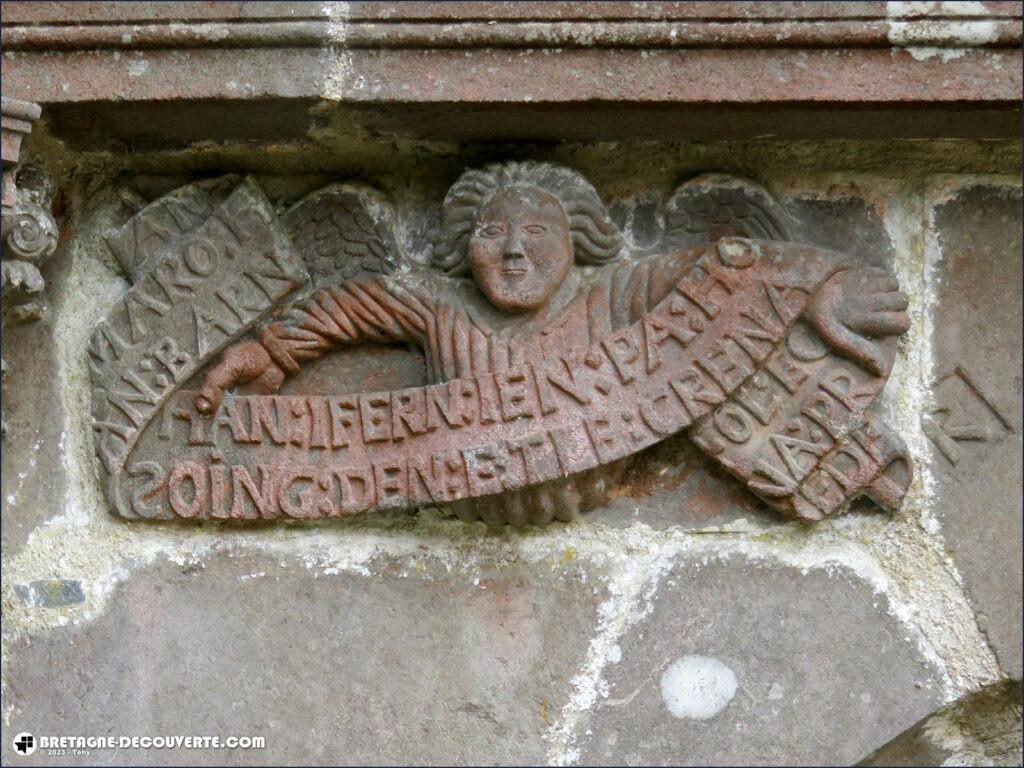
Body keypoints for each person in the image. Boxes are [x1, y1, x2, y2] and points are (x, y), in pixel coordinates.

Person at [196, 161, 909, 525]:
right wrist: (273, 351)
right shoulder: (440, 305)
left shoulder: (612, 294)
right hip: (459, 496)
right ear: (463, 250)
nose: (512, 253)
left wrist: (821, 282)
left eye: (537, 235)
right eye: (491, 235)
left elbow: (728, 268)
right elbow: (352, 307)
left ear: (578, 246)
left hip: (585, 486)